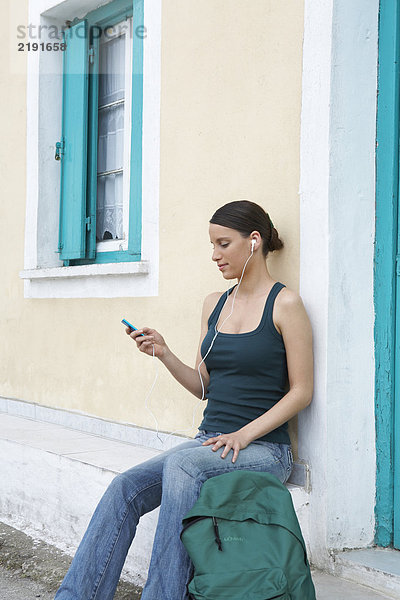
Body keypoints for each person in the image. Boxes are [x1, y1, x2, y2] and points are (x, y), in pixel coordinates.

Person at [55, 200, 314, 600]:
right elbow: (204, 386)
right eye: (212, 245)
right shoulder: (215, 304)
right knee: (125, 487)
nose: (215, 255)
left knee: (183, 466)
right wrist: (164, 352)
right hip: (208, 443)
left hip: (263, 450)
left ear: (254, 241)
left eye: (223, 244)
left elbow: (302, 391)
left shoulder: (285, 304)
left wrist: (243, 436)